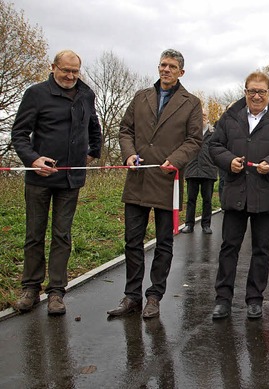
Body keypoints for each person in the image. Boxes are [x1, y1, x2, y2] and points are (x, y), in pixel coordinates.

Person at [108, 49, 203, 319]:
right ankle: (131, 296)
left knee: (164, 243)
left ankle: (154, 296)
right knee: (132, 241)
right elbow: (125, 129)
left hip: (167, 181)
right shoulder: (141, 97)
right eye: (163, 65)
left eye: (172, 66)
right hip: (137, 180)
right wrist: (128, 154)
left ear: (181, 72)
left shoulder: (191, 103)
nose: (166, 70)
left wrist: (175, 159)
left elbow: (195, 140)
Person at [11, 50, 102, 315]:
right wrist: (33, 159)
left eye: (75, 71)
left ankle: (56, 292)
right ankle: (30, 288)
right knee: (34, 233)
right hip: (39, 178)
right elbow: (19, 133)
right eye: (66, 70)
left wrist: (94, 151)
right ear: (53, 68)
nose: (71, 76)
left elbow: (93, 125)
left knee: (62, 235)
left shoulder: (87, 94)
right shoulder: (36, 94)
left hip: (71, 178)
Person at [209, 72, 269, 320]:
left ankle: (255, 299)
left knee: (261, 249)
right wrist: (229, 162)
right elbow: (214, 146)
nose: (256, 96)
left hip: (266, 191)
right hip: (236, 189)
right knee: (229, 247)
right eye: (252, 91)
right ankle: (223, 299)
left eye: (261, 91)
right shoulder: (230, 116)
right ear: (245, 91)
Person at [181, 108, 218, 234]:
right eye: (200, 115)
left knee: (207, 199)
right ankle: (189, 224)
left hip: (209, 171)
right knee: (191, 199)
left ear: (208, 117)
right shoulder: (189, 133)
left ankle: (206, 225)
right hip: (192, 169)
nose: (202, 117)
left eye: (204, 115)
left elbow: (218, 151)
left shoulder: (214, 133)